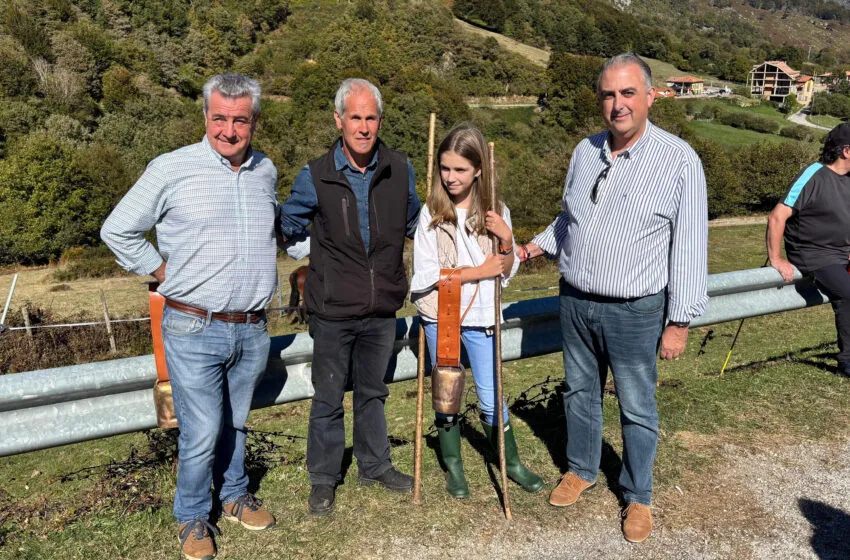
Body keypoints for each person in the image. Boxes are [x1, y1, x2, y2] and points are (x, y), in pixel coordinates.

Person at [518, 53, 708, 543]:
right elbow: (569, 219)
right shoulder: (585, 151)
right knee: (579, 393)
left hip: (635, 310)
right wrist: (535, 246)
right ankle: (581, 468)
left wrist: (679, 320)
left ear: (649, 97)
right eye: (608, 94)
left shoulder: (679, 161)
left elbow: (688, 246)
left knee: (637, 406)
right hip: (576, 300)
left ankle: (638, 496)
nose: (618, 104)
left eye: (627, 93)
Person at [101, 73, 277, 560]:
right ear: (204, 116)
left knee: (237, 421)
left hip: (252, 327)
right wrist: (161, 270)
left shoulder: (266, 171)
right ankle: (193, 517)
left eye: (239, 120)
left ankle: (236, 494)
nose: (228, 129)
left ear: (254, 122)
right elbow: (117, 230)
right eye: (219, 117)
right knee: (201, 431)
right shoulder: (170, 168)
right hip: (192, 324)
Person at [276, 78, 421, 516]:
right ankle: (323, 478)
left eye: (370, 117)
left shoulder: (400, 168)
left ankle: (374, 465)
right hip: (333, 309)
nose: (363, 127)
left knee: (373, 392)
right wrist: (312, 252)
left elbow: (417, 224)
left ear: (380, 120)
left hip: (381, 307)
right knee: (328, 396)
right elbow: (287, 227)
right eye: (354, 117)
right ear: (339, 120)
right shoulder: (314, 174)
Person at [410, 124, 543, 498]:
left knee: (491, 395)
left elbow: (507, 272)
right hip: (443, 316)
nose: (450, 178)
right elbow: (423, 275)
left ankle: (510, 463)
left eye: (460, 170)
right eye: (445, 168)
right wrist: (477, 272)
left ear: (479, 169)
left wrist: (506, 239)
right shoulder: (431, 213)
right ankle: (454, 468)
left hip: (482, 317)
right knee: (446, 391)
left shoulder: (497, 210)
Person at [767, 123, 850, 375]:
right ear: (846, 151)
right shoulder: (813, 174)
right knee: (848, 294)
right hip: (814, 254)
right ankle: (847, 361)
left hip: (840, 252)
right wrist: (776, 258)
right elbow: (776, 217)